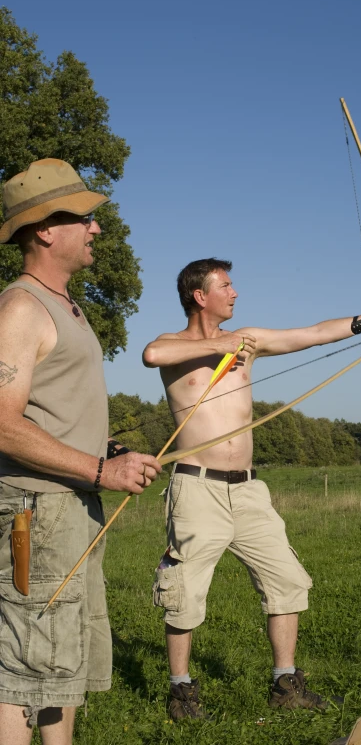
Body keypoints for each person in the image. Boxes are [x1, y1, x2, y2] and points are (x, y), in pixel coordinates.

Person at [143, 257, 361, 719]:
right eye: (225, 285)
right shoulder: (174, 344)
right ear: (199, 296)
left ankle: (286, 685)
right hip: (196, 487)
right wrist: (226, 342)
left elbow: (313, 333)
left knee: (286, 581)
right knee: (183, 593)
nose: (235, 292)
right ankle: (182, 693)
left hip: (248, 491)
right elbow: (152, 354)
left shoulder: (251, 341)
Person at [0, 159, 162, 745]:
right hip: (36, 512)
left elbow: (51, 411)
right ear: (45, 229)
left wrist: (108, 448)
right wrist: (100, 468)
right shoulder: (22, 308)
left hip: (70, 511)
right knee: (22, 673)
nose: (97, 229)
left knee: (59, 668)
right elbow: (2, 424)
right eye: (84, 218)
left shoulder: (64, 305)